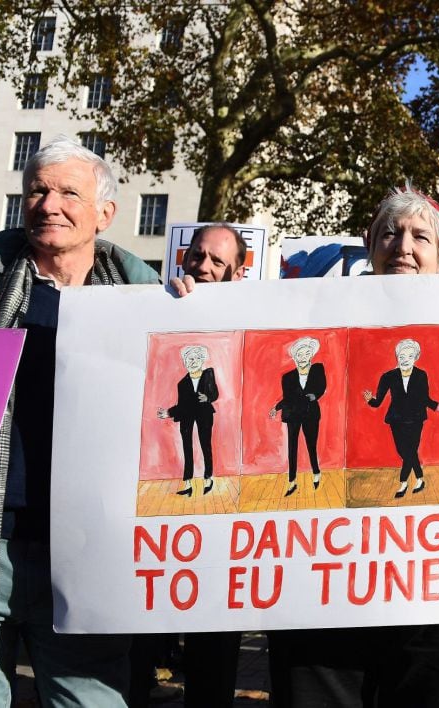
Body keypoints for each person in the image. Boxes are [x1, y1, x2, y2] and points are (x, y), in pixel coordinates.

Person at [267, 185, 439, 708]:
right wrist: (192, 302)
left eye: (419, 236)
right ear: (369, 245)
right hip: (326, 588)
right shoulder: (311, 316)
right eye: (390, 233)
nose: (403, 247)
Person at [0, 136, 159, 704]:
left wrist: (188, 315)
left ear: (104, 214)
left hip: (87, 549)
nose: (48, 204)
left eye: (68, 192)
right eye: (37, 189)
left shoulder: (141, 301)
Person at [155, 222, 249, 708]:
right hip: (160, 531)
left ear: (238, 272)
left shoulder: (260, 315)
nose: (204, 267)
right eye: (198, 256)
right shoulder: (156, 304)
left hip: (230, 526)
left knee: (214, 643)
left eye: (217, 261)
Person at [363, 338, 439, 497]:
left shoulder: (421, 375)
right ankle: (420, 477)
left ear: (415, 357)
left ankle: (403, 483)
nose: (405, 360)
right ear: (397, 357)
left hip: (416, 418)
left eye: (409, 356)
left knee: (410, 450)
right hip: (396, 419)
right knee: (405, 451)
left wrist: (435, 406)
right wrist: (369, 400)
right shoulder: (388, 376)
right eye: (401, 356)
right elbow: (378, 401)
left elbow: (424, 397)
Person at [158, 344, 219, 496]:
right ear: (185, 362)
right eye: (189, 359)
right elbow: (182, 406)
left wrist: (208, 397)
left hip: (204, 414)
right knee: (187, 447)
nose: (193, 361)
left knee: (206, 445)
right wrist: (169, 412)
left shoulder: (208, 374)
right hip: (187, 416)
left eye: (196, 358)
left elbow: (215, 393)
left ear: (202, 360)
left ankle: (208, 479)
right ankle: (188, 483)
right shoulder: (182, 383)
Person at [270, 336, 326, 496]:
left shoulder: (317, 369)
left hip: (310, 413)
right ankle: (292, 481)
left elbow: (322, 387)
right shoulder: (287, 377)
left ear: (311, 355)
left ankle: (316, 473)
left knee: (311, 445)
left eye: (306, 353)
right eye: (299, 355)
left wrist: (315, 395)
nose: (303, 357)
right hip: (293, 414)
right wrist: (277, 407)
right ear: (294, 358)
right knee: (292, 448)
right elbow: (288, 397)